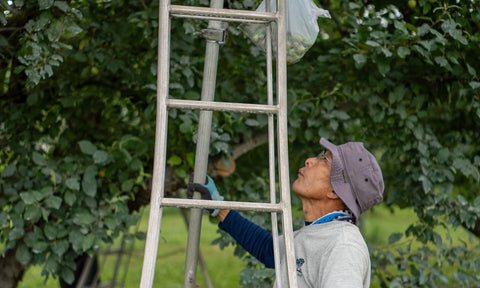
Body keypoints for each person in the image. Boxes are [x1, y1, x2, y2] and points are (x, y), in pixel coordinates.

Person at [188, 137, 384, 287]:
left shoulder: (343, 246)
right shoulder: (318, 232)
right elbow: (269, 250)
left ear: (335, 191)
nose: (309, 161)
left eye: (324, 160)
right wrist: (218, 207)